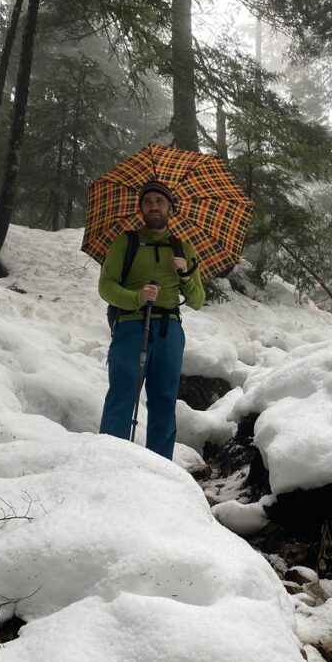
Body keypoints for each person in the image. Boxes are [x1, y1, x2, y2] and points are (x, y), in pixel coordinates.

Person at [97, 180, 205, 459]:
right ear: (141, 207)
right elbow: (106, 287)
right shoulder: (127, 242)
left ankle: (159, 469)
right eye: (148, 201)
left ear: (170, 206)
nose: (153, 206)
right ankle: (109, 462)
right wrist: (137, 297)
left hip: (170, 330)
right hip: (131, 325)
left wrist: (185, 276)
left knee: (164, 400)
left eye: (159, 201)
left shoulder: (182, 248)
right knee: (122, 394)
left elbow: (197, 299)